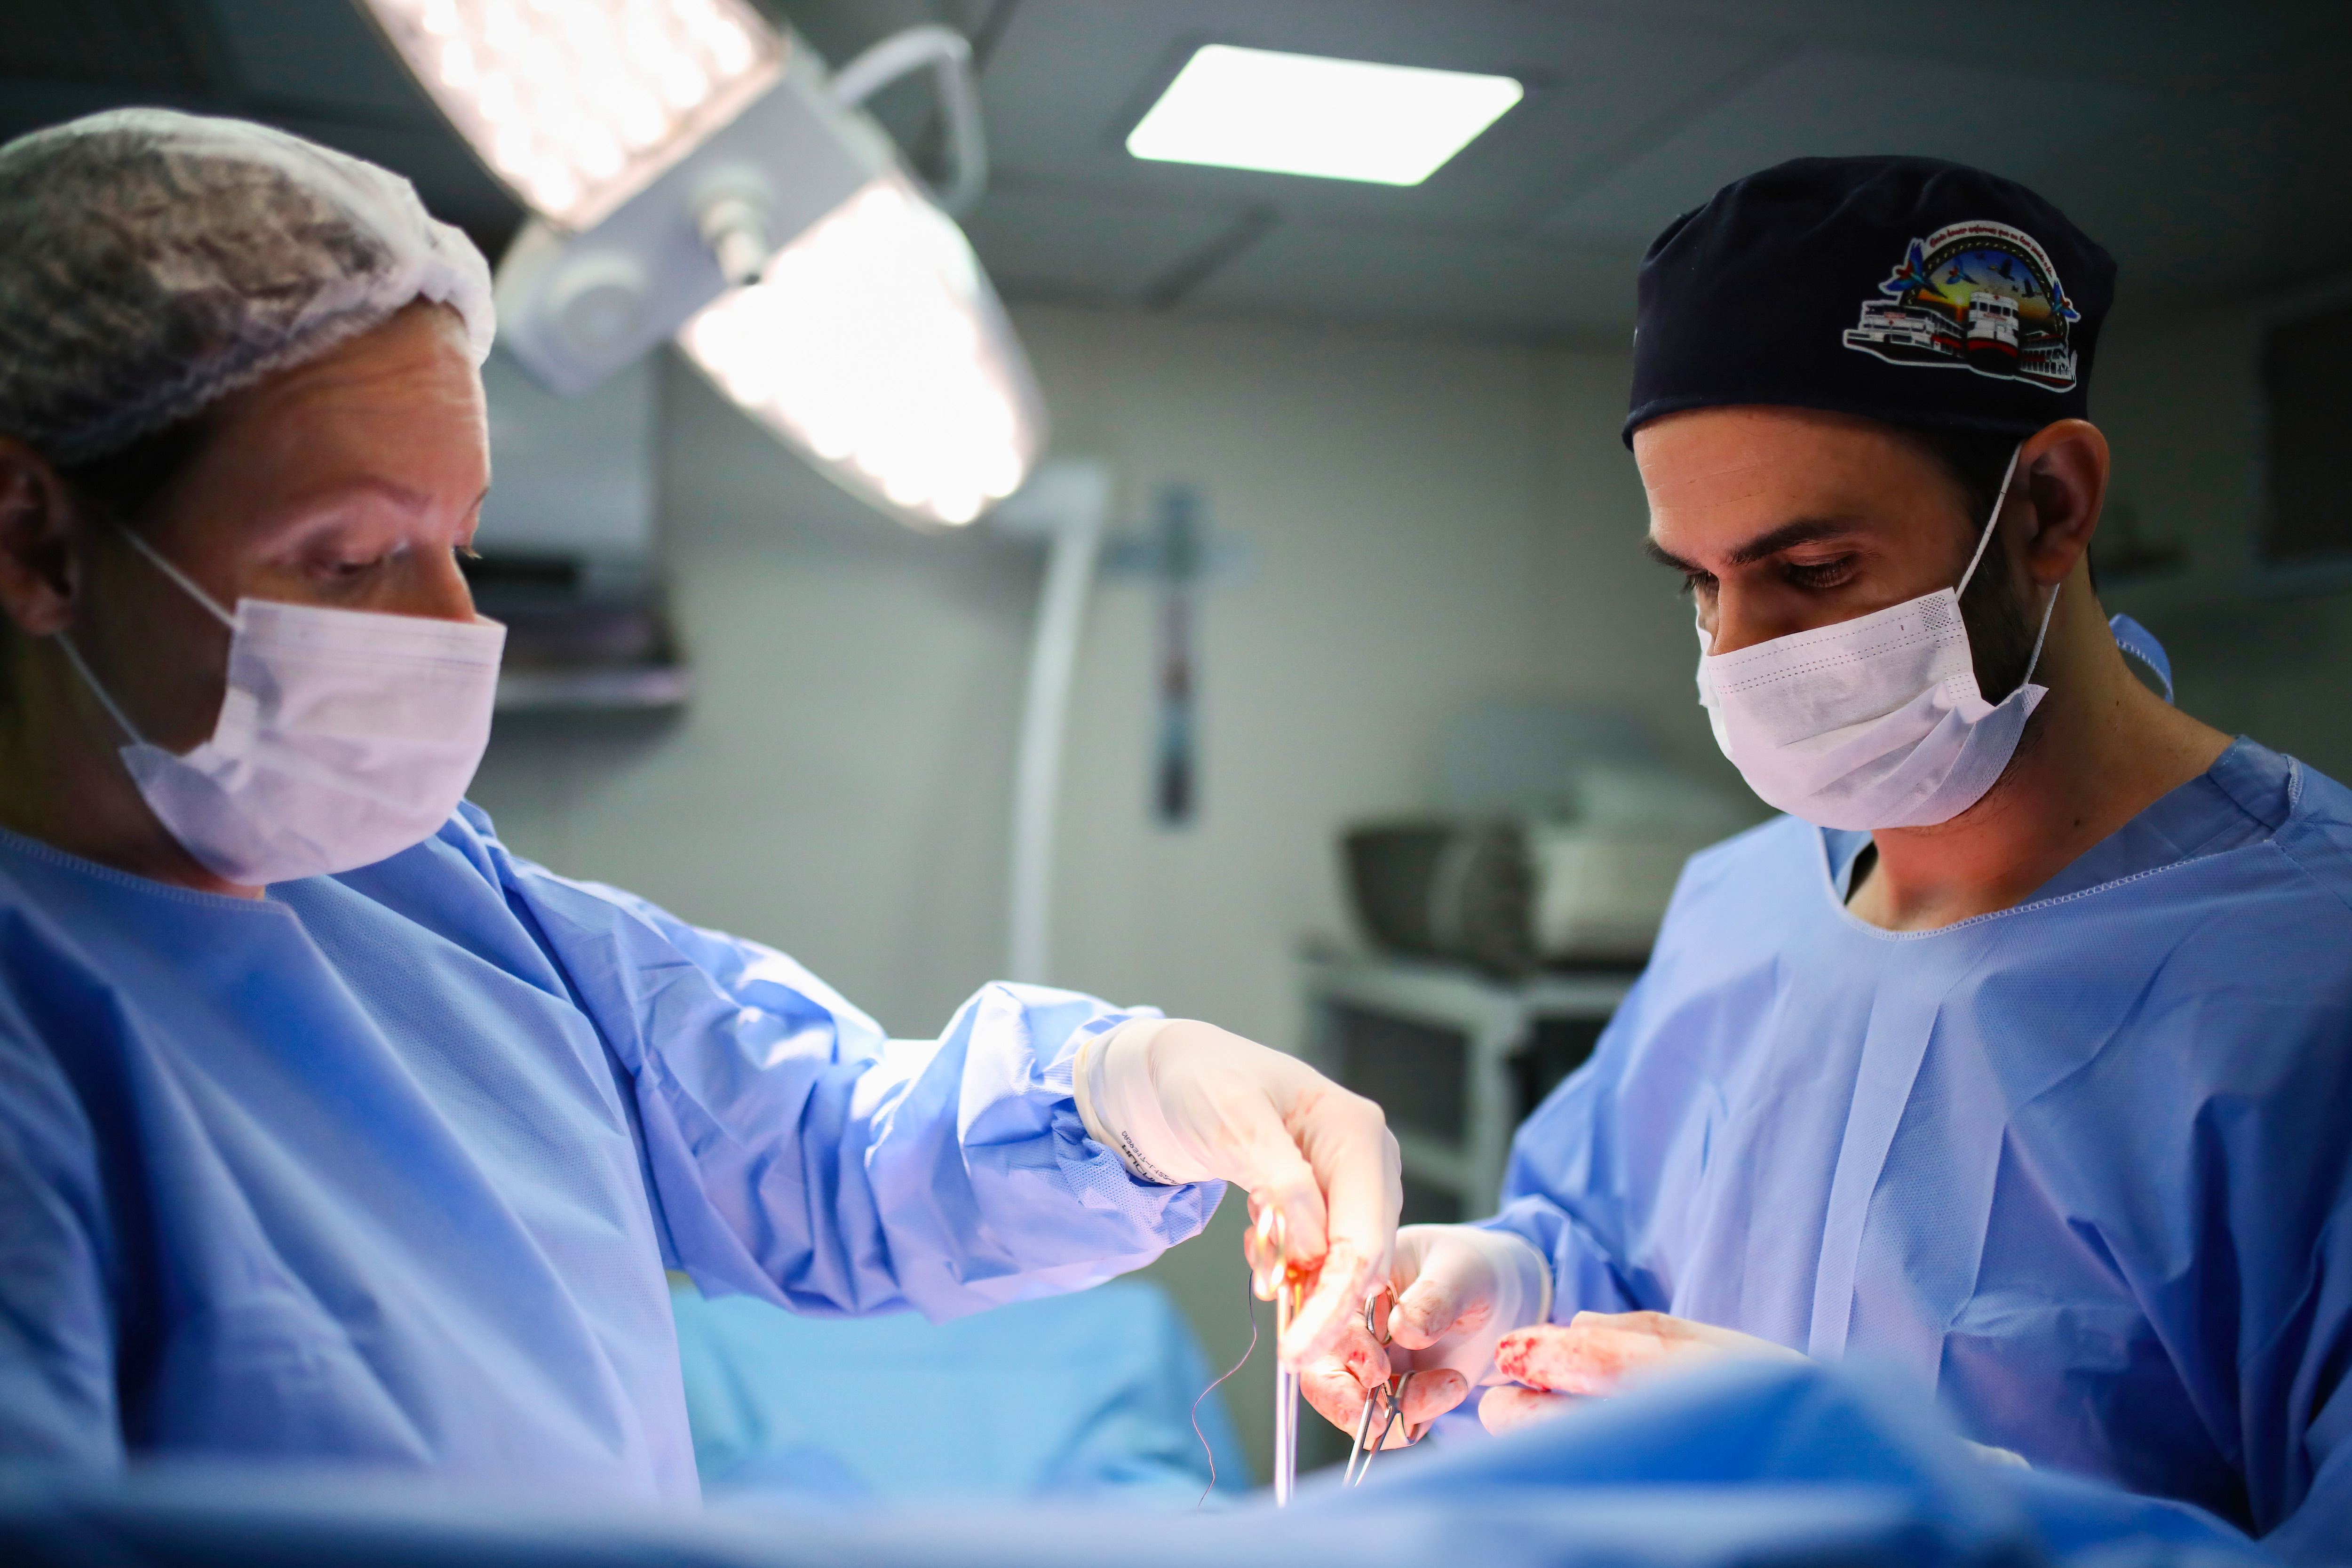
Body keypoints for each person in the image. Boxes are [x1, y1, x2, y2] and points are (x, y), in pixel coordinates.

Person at [0, 109, 1398, 1498]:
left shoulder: (429, 898)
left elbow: (814, 1144)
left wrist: (1129, 1095)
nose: (451, 626)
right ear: (37, 540)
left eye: (463, 540)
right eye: (351, 556)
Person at [1302, 157, 2351, 1560]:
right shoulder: (1740, 906)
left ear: (2047, 508)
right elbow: (1611, 1237)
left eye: (1812, 574)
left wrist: (1901, 1507)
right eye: (1698, 582)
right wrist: (1512, 1284)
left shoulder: (2311, 979)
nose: (1735, 657)